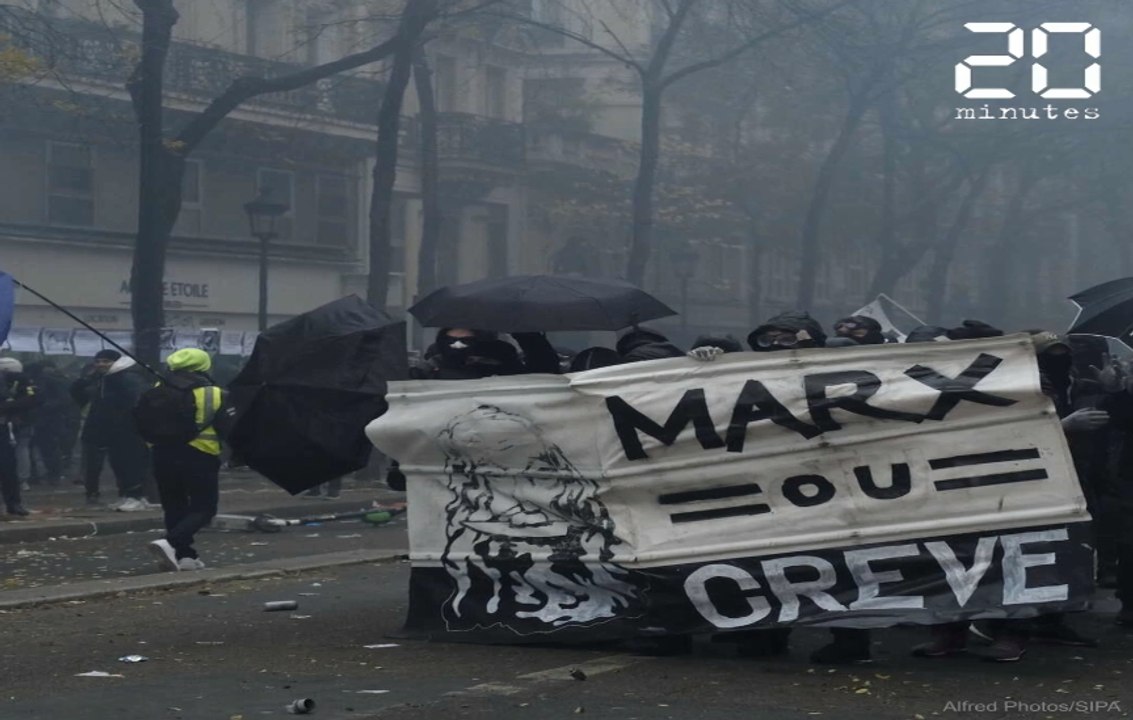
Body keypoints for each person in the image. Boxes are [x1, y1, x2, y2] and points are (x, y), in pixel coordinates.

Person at [147, 348, 225, 572]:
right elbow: (227, 427)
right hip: (200, 454)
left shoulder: (157, 389)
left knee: (174, 506)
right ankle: (170, 542)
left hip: (162, 454)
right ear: (204, 365)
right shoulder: (213, 392)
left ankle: (185, 556)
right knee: (204, 507)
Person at [70, 350, 149, 509]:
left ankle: (135, 496)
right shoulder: (102, 379)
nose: (101, 365)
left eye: (106, 361)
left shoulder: (126, 378)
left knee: (129, 462)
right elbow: (79, 394)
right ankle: (126, 495)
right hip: (108, 429)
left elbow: (135, 401)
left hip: (127, 429)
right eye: (98, 361)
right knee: (117, 463)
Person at [23, 361, 70, 487]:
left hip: (48, 420)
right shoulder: (28, 381)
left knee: (48, 449)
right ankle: (35, 475)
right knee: (29, 450)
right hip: (33, 419)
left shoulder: (51, 381)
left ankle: (53, 474)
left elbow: (62, 400)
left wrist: (44, 407)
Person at [0, 357, 34, 517]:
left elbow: (32, 399)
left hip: (3, 427)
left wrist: (7, 407)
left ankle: (14, 503)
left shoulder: (16, 382)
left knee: (8, 467)